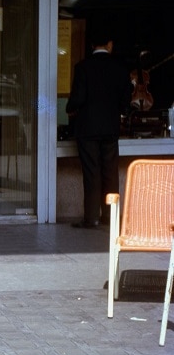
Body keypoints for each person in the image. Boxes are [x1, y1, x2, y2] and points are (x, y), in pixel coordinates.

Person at [65, 29, 130, 228]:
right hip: (110, 127)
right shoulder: (119, 68)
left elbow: (78, 98)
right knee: (110, 171)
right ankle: (110, 216)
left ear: (92, 45)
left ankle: (91, 218)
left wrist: (70, 108)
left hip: (88, 128)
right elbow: (125, 101)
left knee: (92, 172)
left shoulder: (82, 67)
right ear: (109, 45)